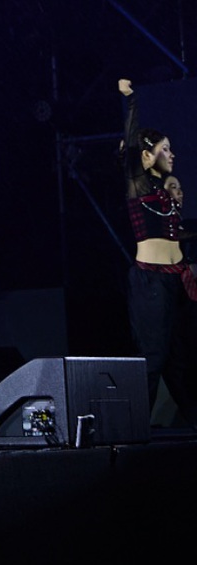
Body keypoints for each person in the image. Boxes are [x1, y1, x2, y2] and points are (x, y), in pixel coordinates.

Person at [117, 78, 196, 421]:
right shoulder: (137, 183)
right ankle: (135, 426)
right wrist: (131, 100)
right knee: (154, 357)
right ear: (147, 156)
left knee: (179, 358)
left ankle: (192, 419)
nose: (172, 154)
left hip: (175, 279)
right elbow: (133, 138)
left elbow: (174, 234)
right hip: (150, 281)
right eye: (165, 149)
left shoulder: (164, 192)